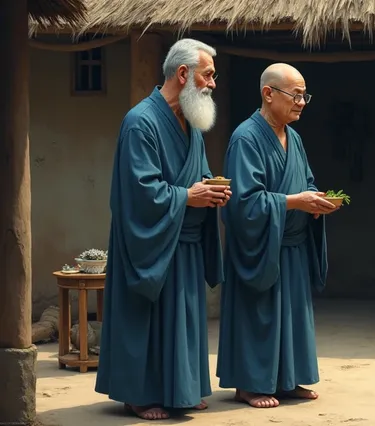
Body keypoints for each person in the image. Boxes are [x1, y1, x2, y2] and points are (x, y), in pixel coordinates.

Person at [95, 38, 231, 420]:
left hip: (183, 243)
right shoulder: (140, 122)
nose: (213, 84)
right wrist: (188, 195)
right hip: (150, 241)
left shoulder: (191, 123)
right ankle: (139, 395)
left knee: (184, 321)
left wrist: (211, 190)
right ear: (184, 74)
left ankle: (181, 390)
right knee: (149, 320)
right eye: (209, 75)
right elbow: (139, 192)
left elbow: (197, 175)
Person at [216, 63, 337, 408]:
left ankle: (285, 381)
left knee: (292, 317)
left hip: (292, 246)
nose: (302, 103)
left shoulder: (293, 137)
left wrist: (315, 202)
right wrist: (295, 201)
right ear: (268, 94)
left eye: (304, 96)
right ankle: (250, 385)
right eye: (295, 95)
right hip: (260, 245)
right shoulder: (246, 138)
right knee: (260, 315)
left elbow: (306, 182)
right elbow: (244, 203)